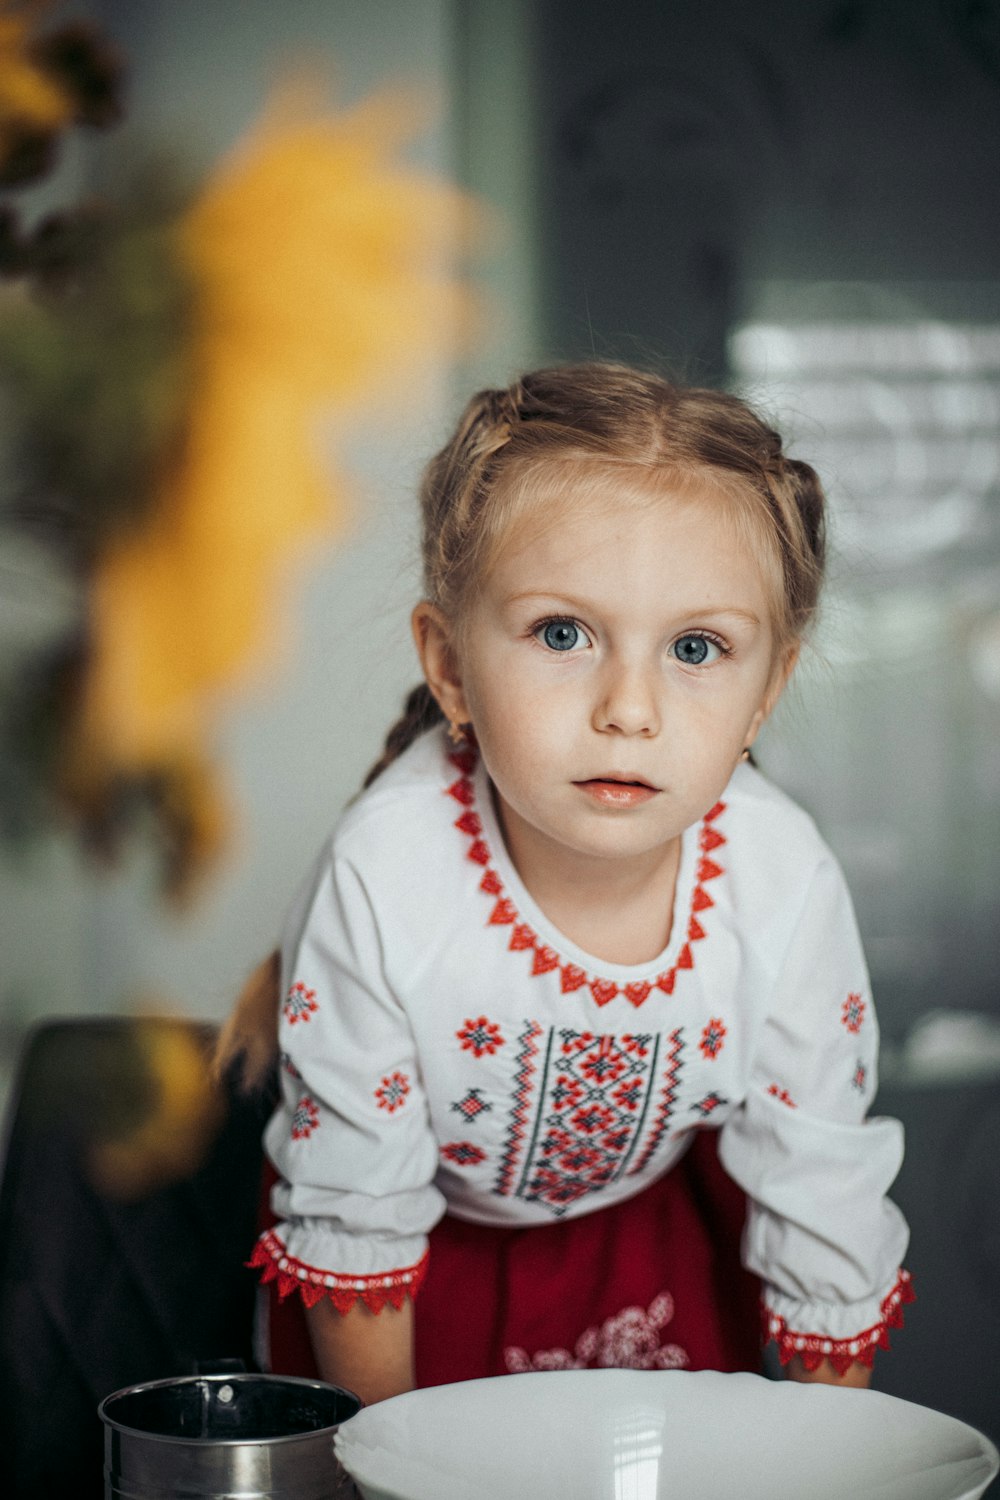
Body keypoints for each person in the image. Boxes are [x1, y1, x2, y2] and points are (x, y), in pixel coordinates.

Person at [219, 362, 912, 1406]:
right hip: (403, 1281)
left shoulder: (781, 880)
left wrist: (833, 1451)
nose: (628, 709)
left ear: (767, 690)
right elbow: (359, 1220)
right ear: (450, 666)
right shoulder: (385, 874)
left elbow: (819, 1179)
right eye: (561, 634)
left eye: (695, 647)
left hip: (647, 1244)